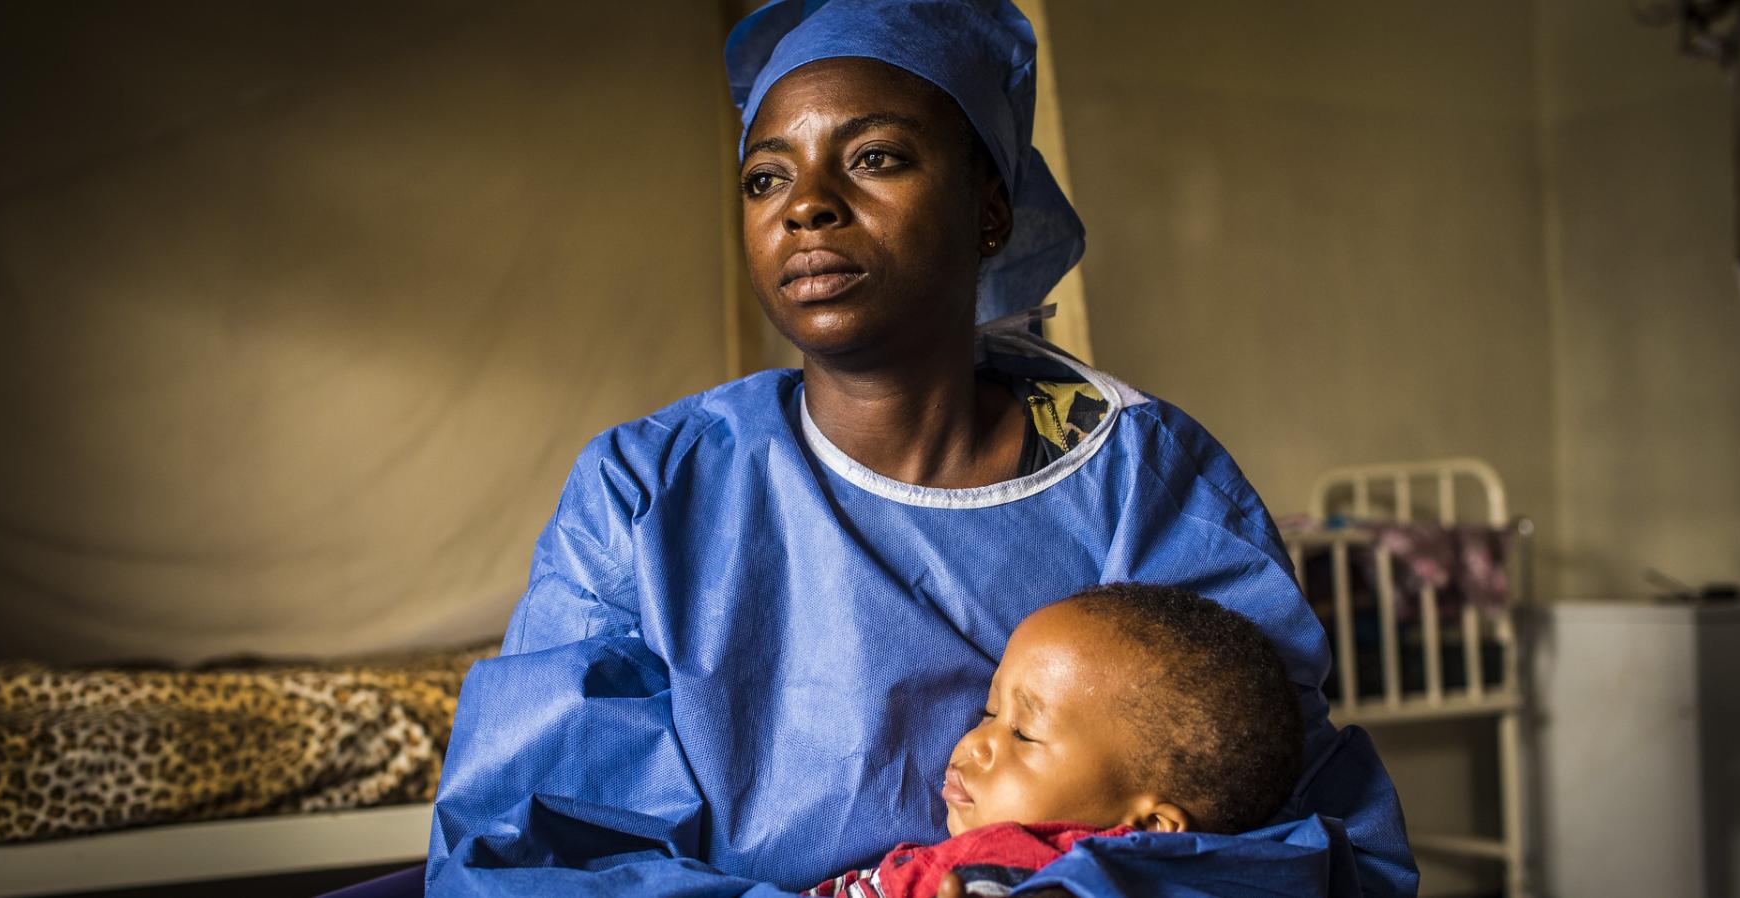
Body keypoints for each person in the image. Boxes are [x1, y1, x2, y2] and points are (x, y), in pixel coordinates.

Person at [426, 1, 1416, 896]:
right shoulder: (649, 490)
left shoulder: (1149, 484)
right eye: (765, 174)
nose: (803, 204)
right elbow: (524, 850)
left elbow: (1287, 832)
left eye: (873, 157)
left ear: (991, 208)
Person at [804, 583, 1305, 898]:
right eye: (990, 712)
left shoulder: (1022, 876)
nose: (974, 742)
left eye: (1023, 733)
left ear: (1148, 826)